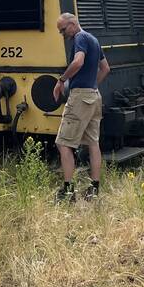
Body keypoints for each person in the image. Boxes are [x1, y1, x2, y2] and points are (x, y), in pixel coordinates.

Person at [52, 12, 110, 202]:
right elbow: (106, 68)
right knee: (93, 143)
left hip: (81, 97)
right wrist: (92, 85)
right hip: (94, 96)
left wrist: (61, 80)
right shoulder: (93, 39)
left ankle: (68, 191)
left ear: (72, 24)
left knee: (63, 143)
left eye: (63, 30)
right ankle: (94, 189)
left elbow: (78, 62)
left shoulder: (80, 37)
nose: (62, 35)